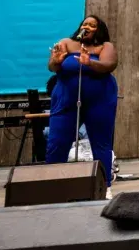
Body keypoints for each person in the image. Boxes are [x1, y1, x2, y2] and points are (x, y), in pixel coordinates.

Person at [46, 15, 119, 196]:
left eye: (92, 25)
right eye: (85, 24)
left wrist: (90, 63)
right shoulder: (66, 43)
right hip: (66, 100)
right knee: (57, 142)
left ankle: (105, 186)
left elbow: (109, 65)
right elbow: (52, 67)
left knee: (101, 143)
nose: (87, 26)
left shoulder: (105, 46)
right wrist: (55, 61)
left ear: (99, 30)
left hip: (99, 100)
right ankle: (52, 185)